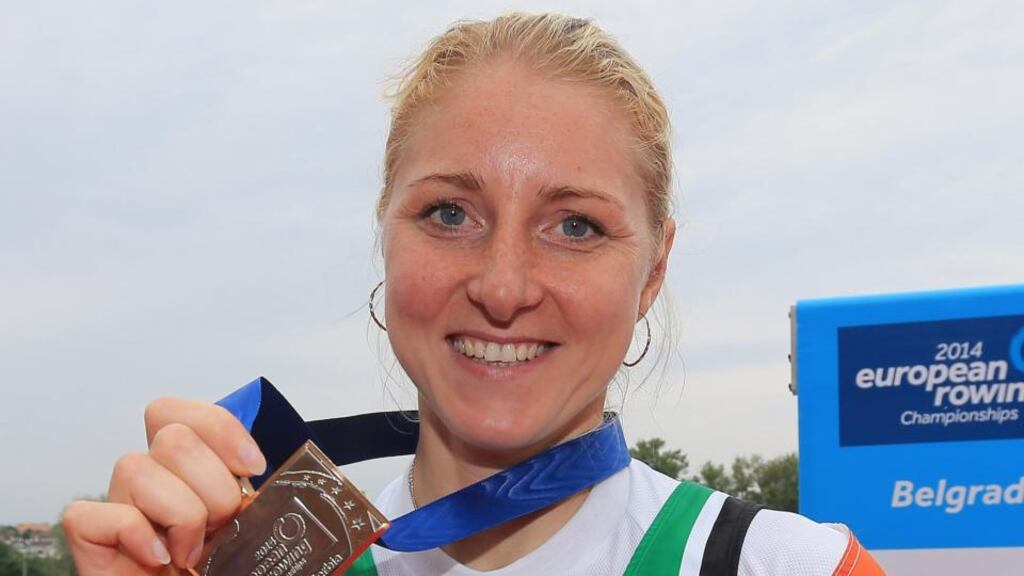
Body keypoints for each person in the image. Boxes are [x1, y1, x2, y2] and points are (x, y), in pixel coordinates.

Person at [63, 12, 885, 576]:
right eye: (449, 213)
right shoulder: (267, 564)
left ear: (654, 272)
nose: (502, 287)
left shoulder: (784, 566)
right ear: (385, 233)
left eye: (575, 226)